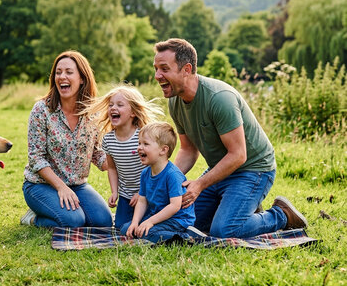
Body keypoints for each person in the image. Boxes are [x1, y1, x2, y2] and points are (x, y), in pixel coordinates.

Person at [153, 38, 307, 238]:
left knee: (225, 230)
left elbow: (238, 155)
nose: (157, 76)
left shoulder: (219, 98)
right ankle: (239, 207)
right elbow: (188, 150)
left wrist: (199, 184)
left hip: (253, 169)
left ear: (186, 69)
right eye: (156, 69)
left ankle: (281, 215)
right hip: (220, 169)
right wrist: (165, 180)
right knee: (184, 221)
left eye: (164, 69)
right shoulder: (175, 100)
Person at [20, 51, 112, 228]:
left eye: (69, 72)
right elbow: (36, 158)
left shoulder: (93, 113)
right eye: (58, 72)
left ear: (82, 78)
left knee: (103, 221)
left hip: (77, 185)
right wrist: (61, 187)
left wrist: (120, 157)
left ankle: (62, 209)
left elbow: (97, 154)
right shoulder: (42, 110)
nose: (62, 76)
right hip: (40, 186)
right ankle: (32, 218)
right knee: (74, 220)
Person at [82, 85, 163, 232]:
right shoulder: (108, 140)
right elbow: (112, 168)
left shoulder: (142, 138)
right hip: (126, 195)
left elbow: (154, 169)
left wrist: (141, 193)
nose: (113, 108)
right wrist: (115, 192)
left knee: (142, 224)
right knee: (120, 226)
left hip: (149, 193)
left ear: (133, 112)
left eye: (120, 105)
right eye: (111, 105)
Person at [124, 122, 195, 243]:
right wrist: (135, 222)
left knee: (148, 232)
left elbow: (175, 206)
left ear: (163, 150)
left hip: (177, 220)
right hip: (158, 216)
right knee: (127, 228)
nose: (139, 147)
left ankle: (185, 237)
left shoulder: (172, 175)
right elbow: (142, 200)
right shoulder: (145, 173)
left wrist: (150, 222)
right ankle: (159, 233)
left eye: (145, 144)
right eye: (139, 143)